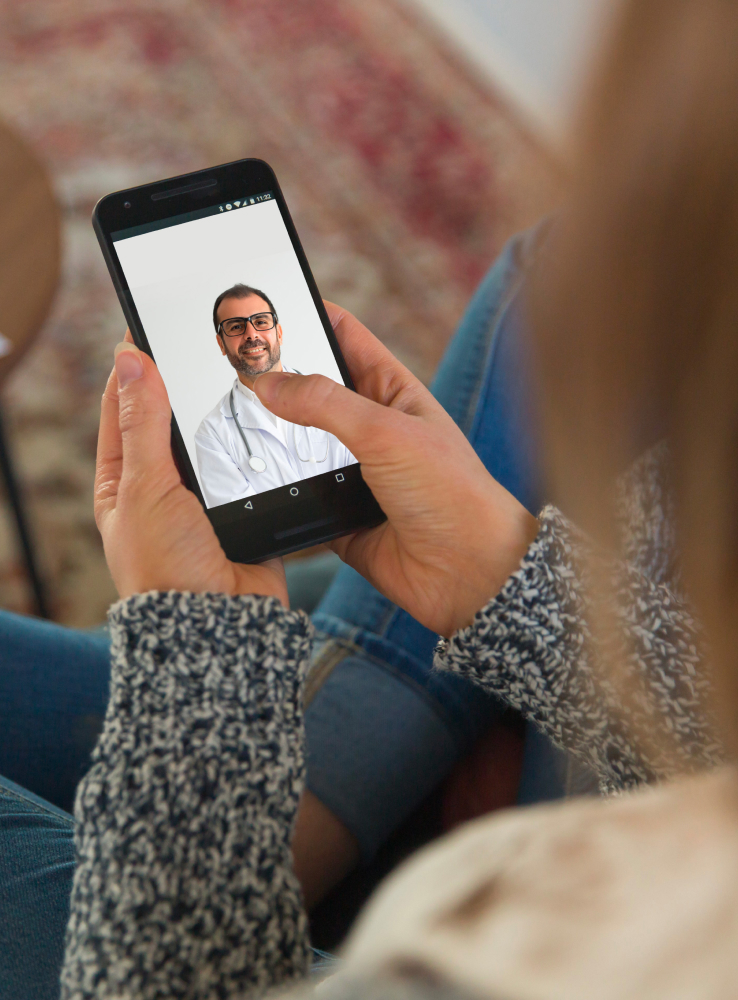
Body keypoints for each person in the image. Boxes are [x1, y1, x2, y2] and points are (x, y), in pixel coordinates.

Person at [57, 0, 738, 996]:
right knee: (551, 273)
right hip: (581, 719)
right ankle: (360, 770)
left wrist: (202, 673)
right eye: (237, 330)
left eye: (260, 327)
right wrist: (500, 578)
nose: (254, 342)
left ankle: (332, 837)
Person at [194, 283, 355, 506]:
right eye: (235, 327)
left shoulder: (336, 393)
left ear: (278, 333)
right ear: (221, 344)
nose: (251, 334)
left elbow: (364, 473)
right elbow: (244, 520)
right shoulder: (212, 432)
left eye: (260, 322)